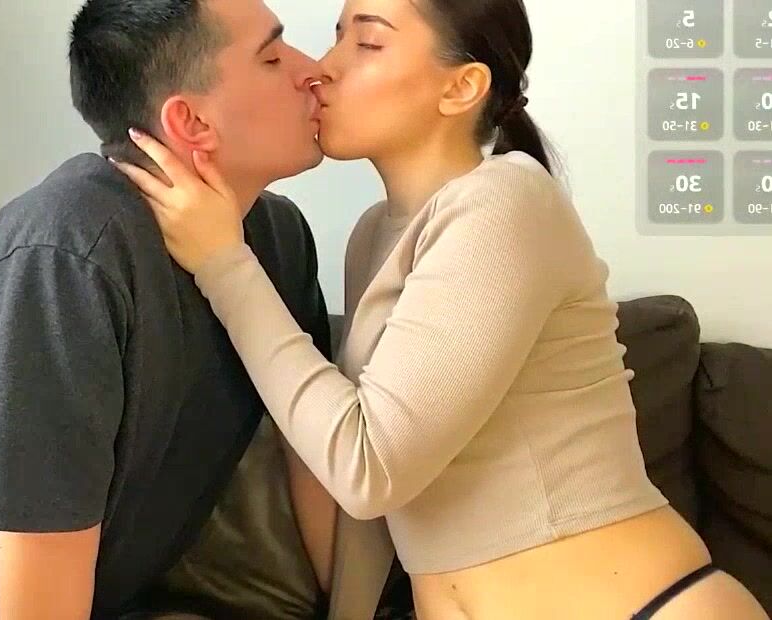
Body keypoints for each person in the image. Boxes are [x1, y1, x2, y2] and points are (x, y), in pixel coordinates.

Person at [110, 0, 772, 618]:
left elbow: (368, 467)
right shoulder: (375, 236)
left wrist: (225, 264)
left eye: (367, 44)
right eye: (337, 37)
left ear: (461, 88)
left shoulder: (506, 201)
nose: (322, 68)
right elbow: (371, 507)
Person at [0, 0, 342, 619]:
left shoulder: (277, 241)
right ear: (192, 120)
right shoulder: (66, 252)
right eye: (272, 57)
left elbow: (314, 451)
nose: (313, 70)